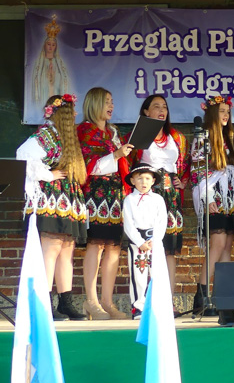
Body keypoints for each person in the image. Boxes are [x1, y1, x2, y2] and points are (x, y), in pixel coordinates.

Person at [16, 94, 88, 320]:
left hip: (67, 196)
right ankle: (44, 302)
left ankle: (65, 301)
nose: (75, 115)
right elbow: (23, 156)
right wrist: (48, 175)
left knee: (67, 247)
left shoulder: (65, 137)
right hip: (51, 197)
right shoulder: (45, 135)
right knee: (52, 247)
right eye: (72, 112)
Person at [77, 87, 134, 320]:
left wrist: (121, 155)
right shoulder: (85, 130)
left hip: (116, 193)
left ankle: (107, 302)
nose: (111, 106)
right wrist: (117, 155)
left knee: (113, 247)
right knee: (96, 244)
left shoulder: (113, 131)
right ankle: (91, 302)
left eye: (112, 102)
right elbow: (90, 166)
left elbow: (118, 162)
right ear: (94, 104)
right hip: (95, 193)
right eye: (106, 102)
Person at [190, 94, 234, 313]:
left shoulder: (230, 136)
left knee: (227, 245)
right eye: (222, 111)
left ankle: (224, 297)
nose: (226, 115)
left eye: (228, 111)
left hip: (230, 195)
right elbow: (197, 171)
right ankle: (201, 296)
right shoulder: (202, 137)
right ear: (213, 113)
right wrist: (209, 197)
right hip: (214, 195)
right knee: (218, 243)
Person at [133, 95, 189, 309]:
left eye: (164, 106)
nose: (161, 110)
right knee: (149, 246)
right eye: (156, 106)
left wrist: (182, 181)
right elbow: (129, 163)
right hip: (149, 195)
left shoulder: (175, 136)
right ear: (146, 111)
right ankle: (146, 300)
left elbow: (186, 164)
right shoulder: (139, 135)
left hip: (171, 198)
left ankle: (168, 300)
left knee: (169, 249)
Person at [122, 162, 168, 320]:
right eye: (140, 178)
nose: (144, 182)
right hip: (137, 242)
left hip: (154, 240)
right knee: (138, 275)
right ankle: (138, 307)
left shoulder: (158, 199)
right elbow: (128, 224)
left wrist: (155, 240)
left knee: (156, 273)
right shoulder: (129, 200)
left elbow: (162, 221)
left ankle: (157, 306)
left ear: (153, 181)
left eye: (148, 178)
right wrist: (140, 242)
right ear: (133, 181)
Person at [31, 16, 71, 108]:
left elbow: (64, 79)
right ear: (45, 45)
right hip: (44, 91)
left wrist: (55, 77)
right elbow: (36, 79)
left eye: (53, 45)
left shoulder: (59, 63)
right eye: (48, 44)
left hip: (55, 90)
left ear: (56, 47)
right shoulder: (39, 62)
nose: (50, 47)